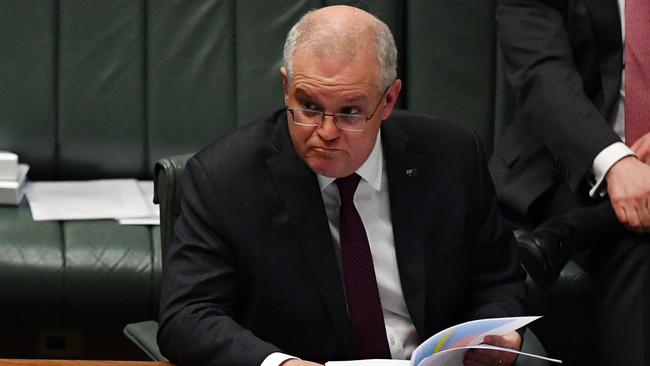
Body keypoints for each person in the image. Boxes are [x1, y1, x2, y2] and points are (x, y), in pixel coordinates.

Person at [158, 5, 526, 366]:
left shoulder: (452, 156)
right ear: (286, 88)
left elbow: (498, 279)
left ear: (388, 100)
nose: (326, 132)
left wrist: (499, 333)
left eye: (350, 111)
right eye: (309, 106)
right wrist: (278, 364)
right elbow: (187, 316)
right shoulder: (224, 178)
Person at [490, 0, 650, 364]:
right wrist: (617, 161)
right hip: (570, 166)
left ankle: (564, 234)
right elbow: (542, 74)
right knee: (638, 239)